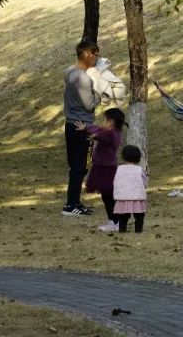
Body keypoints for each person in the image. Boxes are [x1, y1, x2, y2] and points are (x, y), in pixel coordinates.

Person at [63, 39, 101, 216]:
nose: (96, 56)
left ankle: (74, 203)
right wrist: (99, 93)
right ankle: (71, 205)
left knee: (76, 167)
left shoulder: (69, 71)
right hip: (82, 126)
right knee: (81, 167)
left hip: (71, 123)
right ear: (86, 54)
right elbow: (90, 105)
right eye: (94, 53)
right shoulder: (83, 78)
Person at [76, 107, 125, 232]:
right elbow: (97, 129)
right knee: (105, 196)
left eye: (105, 119)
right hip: (101, 167)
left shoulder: (113, 134)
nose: (102, 122)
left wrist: (94, 135)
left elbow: (102, 136)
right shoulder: (106, 130)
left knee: (109, 196)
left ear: (111, 122)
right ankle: (112, 220)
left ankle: (117, 222)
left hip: (108, 169)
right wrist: (86, 128)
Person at [112, 145, 148, 233]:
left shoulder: (118, 169)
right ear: (138, 157)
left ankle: (122, 229)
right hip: (136, 197)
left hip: (122, 197)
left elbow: (115, 181)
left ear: (123, 156)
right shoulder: (139, 170)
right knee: (139, 214)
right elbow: (144, 183)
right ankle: (138, 230)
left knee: (123, 215)